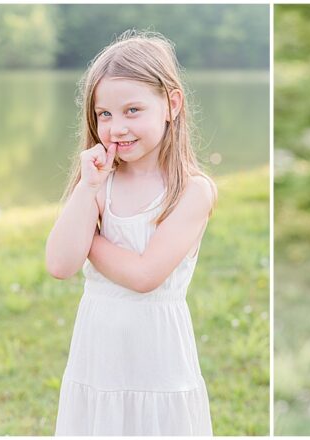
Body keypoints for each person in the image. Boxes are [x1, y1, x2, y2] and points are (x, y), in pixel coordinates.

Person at [45, 30, 216, 435]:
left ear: (171, 104)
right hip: (99, 352)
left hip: (157, 355)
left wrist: (91, 242)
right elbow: (58, 263)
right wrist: (87, 189)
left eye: (132, 110)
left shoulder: (191, 190)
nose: (116, 127)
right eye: (105, 114)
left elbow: (144, 276)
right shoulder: (98, 183)